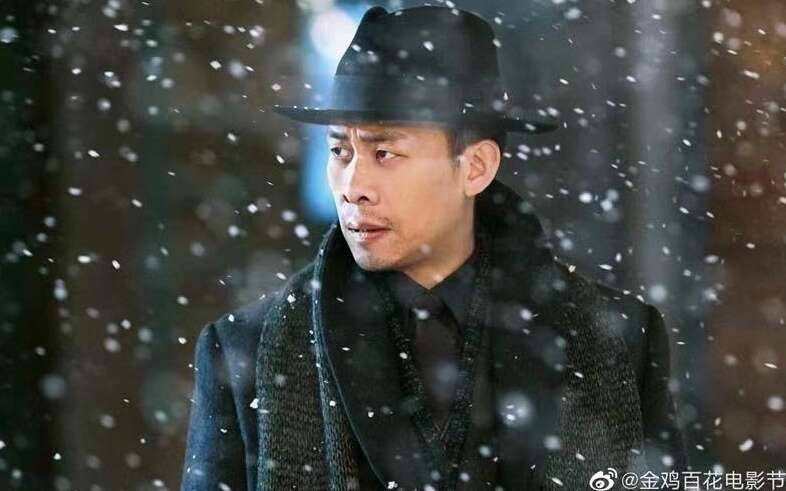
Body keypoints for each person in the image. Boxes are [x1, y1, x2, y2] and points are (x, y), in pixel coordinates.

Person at [180, 5, 689, 491]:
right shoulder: (247, 349)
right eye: (340, 150)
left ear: (476, 168)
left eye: (385, 152)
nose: (353, 186)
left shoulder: (616, 341)